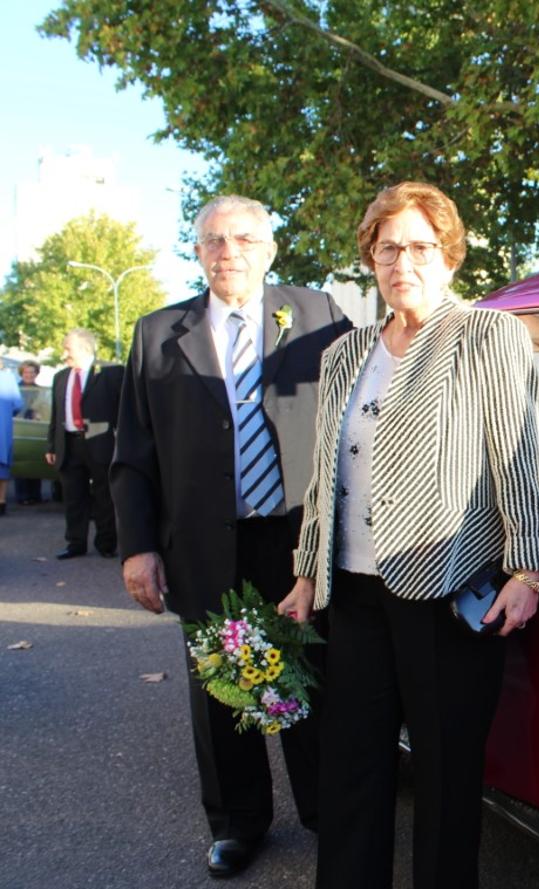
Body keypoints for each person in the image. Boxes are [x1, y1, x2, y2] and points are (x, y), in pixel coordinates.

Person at [278, 181, 539, 889]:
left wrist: (528, 570)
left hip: (444, 592)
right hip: (356, 595)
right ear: (370, 259)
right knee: (353, 771)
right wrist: (309, 570)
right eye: (388, 247)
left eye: (420, 246)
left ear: (449, 257)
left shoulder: (485, 334)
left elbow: (518, 456)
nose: (403, 260)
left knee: (444, 775)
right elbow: (324, 475)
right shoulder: (344, 354)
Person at [111, 194, 352, 878]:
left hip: (299, 538)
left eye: (244, 238)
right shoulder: (158, 334)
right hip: (204, 541)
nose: (229, 251)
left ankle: (325, 808)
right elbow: (134, 451)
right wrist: (138, 546)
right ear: (196, 252)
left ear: (270, 247)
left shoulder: (316, 314)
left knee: (313, 677)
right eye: (213, 240)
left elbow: (355, 419)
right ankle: (236, 821)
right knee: (222, 688)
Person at [45, 330, 123, 555]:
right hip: (68, 444)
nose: (64, 354)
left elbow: (124, 411)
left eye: (67, 348)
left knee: (104, 496)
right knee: (73, 496)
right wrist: (51, 445)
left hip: (100, 443)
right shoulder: (60, 377)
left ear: (84, 348)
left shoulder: (110, 372)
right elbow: (55, 414)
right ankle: (75, 544)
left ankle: (106, 544)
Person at [13, 361, 44, 505]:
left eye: (32, 372)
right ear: (22, 373)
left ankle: (35, 495)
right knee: (21, 461)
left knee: (35, 458)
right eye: (26, 372)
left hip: (35, 426)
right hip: (18, 427)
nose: (29, 375)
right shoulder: (15, 389)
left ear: (36, 373)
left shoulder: (40, 390)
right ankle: (22, 496)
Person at [0, 367, 23, 515]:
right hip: (2, 429)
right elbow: (18, 405)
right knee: (2, 467)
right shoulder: (8, 378)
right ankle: (1, 501)